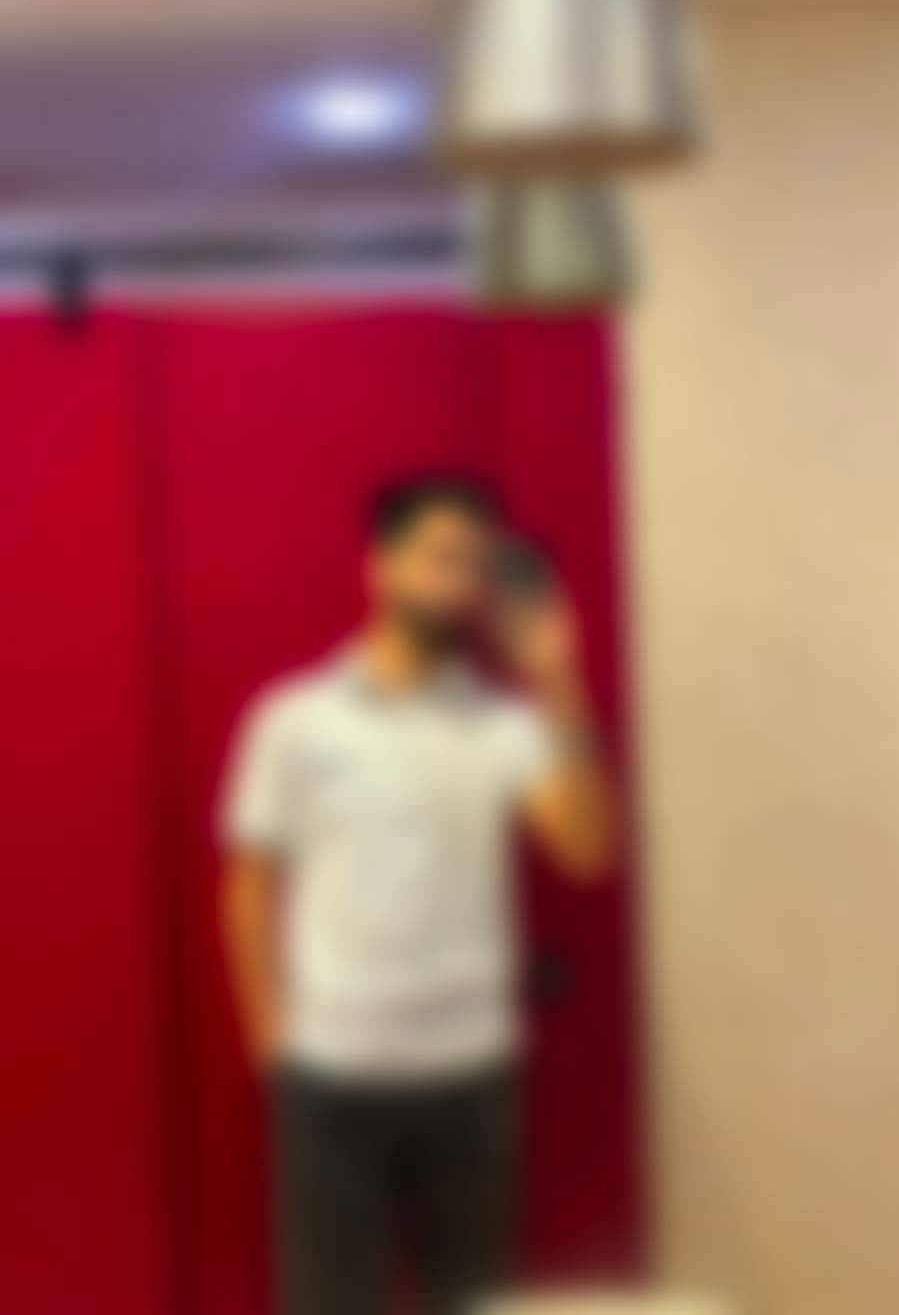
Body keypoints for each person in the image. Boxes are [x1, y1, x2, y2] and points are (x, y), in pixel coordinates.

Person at [218, 476, 615, 1315]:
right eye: (442, 557)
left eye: (477, 565)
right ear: (381, 566)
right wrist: (274, 1050)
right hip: (332, 1074)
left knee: (468, 1301)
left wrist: (559, 679)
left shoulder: (505, 725)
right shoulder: (295, 721)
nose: (461, 582)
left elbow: (586, 850)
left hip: (471, 1073)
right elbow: (251, 889)